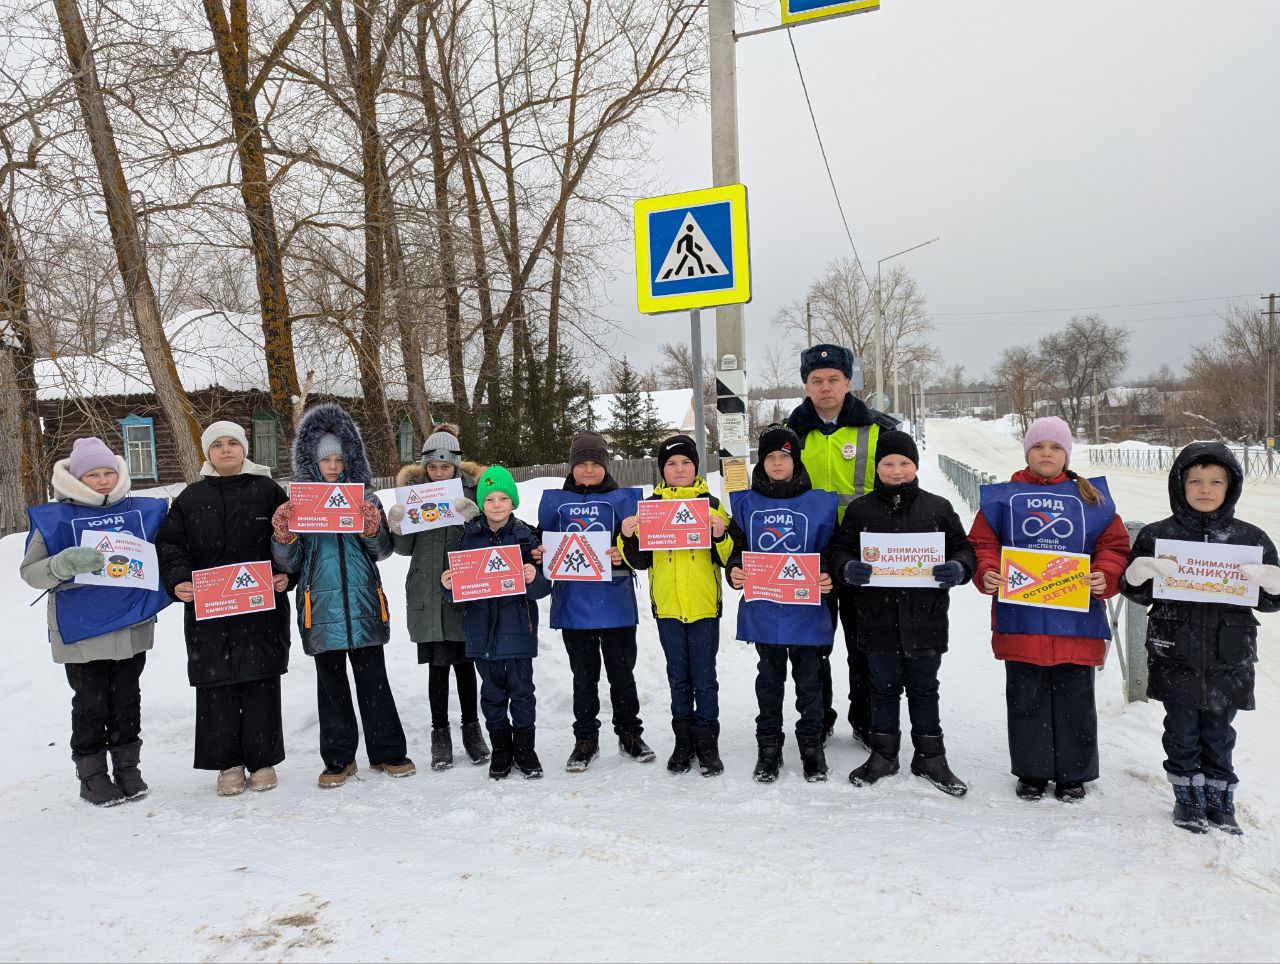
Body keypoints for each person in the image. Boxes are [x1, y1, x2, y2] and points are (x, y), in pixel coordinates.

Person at [1120, 442, 1280, 834]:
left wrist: (1274, 585)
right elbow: (1137, 591)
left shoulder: (1251, 538)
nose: (1205, 489)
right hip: (1174, 650)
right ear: (1180, 484)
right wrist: (1137, 574)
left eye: (1215, 481)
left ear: (1231, 486)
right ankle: (1187, 798)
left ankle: (1220, 800)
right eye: (1195, 481)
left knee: (1220, 733)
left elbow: (1269, 602)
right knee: (1181, 730)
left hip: (1230, 654)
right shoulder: (1159, 535)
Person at [967, 416, 1130, 802]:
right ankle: (1033, 771)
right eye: (1038, 446)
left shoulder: (1092, 499)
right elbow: (982, 544)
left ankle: (1074, 774)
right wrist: (986, 571)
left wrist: (1105, 574)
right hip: (1022, 622)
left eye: (1056, 447)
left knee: (1076, 702)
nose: (1046, 453)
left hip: (1076, 624)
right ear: (1027, 452)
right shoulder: (1003, 498)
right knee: (1026, 700)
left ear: (1066, 454)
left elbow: (1114, 547)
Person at [270, 403, 415, 789]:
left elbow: (382, 551)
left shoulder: (366, 499)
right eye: (325, 460)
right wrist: (284, 536)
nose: (333, 466)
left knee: (374, 681)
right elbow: (290, 562)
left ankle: (387, 752)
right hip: (321, 606)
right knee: (331, 687)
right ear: (311, 462)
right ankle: (338, 758)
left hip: (364, 603)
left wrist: (371, 529)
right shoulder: (300, 504)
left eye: (339, 459)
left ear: (351, 460)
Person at [20, 437, 171, 806]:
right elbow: (31, 572)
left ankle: (127, 768)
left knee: (127, 699)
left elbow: (168, 550)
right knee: (91, 704)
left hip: (130, 626)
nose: (103, 480)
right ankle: (92, 777)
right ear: (76, 478)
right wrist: (61, 564)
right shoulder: (55, 518)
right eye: (92, 474)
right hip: (83, 630)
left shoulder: (141, 511)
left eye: (108, 472)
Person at [828, 430, 976, 796]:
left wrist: (958, 568)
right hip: (875, 618)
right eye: (888, 463)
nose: (896, 471)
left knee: (925, 689)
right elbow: (839, 550)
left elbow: (963, 548)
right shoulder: (861, 510)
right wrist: (847, 568)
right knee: (882, 689)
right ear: (877, 468)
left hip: (925, 617)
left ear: (916, 465)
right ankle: (884, 753)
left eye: (904, 463)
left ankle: (931, 756)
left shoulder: (938, 508)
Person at [156, 421, 295, 797]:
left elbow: (288, 538)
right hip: (210, 611)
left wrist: (286, 574)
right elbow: (171, 546)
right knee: (217, 685)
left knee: (260, 680)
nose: (226, 449)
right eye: (217, 444)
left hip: (260, 608)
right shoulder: (191, 498)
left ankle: (262, 760)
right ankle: (228, 764)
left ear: (244, 448)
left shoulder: (267, 490)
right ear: (208, 453)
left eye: (233, 442)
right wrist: (179, 580)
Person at [785, 343, 897, 749]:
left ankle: (864, 719)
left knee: (864, 643)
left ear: (848, 382)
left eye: (834, 379)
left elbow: (897, 488)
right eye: (817, 380)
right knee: (814, 644)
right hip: (808, 554)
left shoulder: (878, 430)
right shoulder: (791, 434)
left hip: (862, 555)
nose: (826, 387)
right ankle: (819, 717)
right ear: (806, 385)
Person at [724, 426, 838, 783]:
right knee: (769, 682)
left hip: (806, 610)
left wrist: (829, 573)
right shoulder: (746, 504)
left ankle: (811, 747)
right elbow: (737, 547)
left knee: (809, 683)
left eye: (784, 457)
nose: (777, 463)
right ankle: (769, 747)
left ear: (795, 461)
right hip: (766, 609)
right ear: (761, 462)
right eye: (770, 457)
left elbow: (832, 548)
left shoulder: (820, 503)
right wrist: (734, 569)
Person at [536, 431, 651, 772]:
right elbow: (542, 542)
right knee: (583, 677)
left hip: (615, 602)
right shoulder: (556, 504)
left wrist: (623, 551)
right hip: (574, 604)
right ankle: (585, 738)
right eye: (582, 463)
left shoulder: (623, 501)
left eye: (595, 463)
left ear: (606, 465)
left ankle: (630, 734)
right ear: (571, 467)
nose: (588, 470)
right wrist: (539, 552)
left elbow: (641, 552)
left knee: (622, 673)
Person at [618, 434, 733, 776]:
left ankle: (707, 744)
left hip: (704, 608)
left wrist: (720, 535)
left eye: (685, 462)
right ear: (662, 469)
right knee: (678, 678)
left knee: (705, 678)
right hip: (668, 608)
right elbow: (639, 561)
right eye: (671, 463)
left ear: (696, 466)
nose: (679, 468)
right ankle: (683, 742)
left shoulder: (711, 504)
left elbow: (728, 557)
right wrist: (626, 536)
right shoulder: (650, 506)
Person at [388, 426, 490, 771]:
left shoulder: (473, 491)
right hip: (428, 593)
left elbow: (487, 540)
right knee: (437, 667)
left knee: (465, 665)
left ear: (456, 465)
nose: (438, 473)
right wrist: (399, 526)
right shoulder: (415, 494)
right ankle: (439, 733)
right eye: (432, 467)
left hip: (465, 591)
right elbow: (405, 549)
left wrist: (473, 519)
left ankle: (472, 729)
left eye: (445, 467)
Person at [442, 466, 551, 780]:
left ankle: (525, 750)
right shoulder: (467, 537)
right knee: (492, 695)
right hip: (481, 633)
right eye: (489, 499)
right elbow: (457, 589)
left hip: (518, 630)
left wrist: (533, 577)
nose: (497, 504)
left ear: (513, 501)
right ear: (481, 503)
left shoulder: (527, 536)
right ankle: (501, 750)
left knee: (522, 692)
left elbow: (544, 586)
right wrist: (448, 586)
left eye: (503, 498)